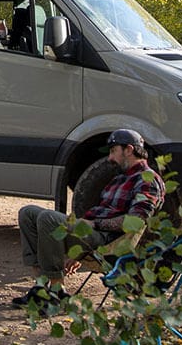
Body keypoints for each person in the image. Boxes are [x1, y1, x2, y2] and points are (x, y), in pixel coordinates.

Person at [13, 128, 165, 311]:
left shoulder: (147, 180)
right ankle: (40, 287)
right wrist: (80, 251)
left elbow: (137, 221)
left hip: (109, 241)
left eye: (113, 151)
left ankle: (56, 291)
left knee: (48, 218)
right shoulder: (121, 178)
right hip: (91, 233)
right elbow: (100, 211)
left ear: (129, 149)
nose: (110, 158)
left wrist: (94, 225)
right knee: (28, 212)